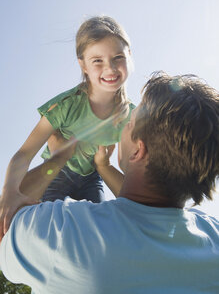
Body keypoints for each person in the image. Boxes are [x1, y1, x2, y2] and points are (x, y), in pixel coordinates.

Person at [0, 71, 218, 294]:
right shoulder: (213, 237)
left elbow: (4, 221)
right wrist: (104, 167)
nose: (123, 126)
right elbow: (148, 207)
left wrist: (59, 157)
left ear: (138, 150)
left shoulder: (62, 235)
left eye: (130, 123)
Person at [0, 15, 135, 241]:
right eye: (97, 60)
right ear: (82, 63)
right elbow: (25, 153)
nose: (110, 69)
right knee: (47, 229)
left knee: (97, 233)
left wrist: (105, 166)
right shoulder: (66, 105)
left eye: (118, 57)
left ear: (129, 56)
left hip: (92, 177)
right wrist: (9, 192)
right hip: (58, 171)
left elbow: (133, 174)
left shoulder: (131, 116)